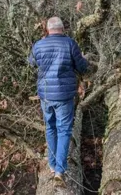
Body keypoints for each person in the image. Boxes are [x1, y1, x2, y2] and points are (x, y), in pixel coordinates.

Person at [28, 16, 89, 185]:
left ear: (48, 30)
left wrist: (40, 46)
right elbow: (82, 67)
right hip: (64, 96)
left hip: (46, 94)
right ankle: (60, 171)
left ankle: (52, 165)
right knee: (64, 130)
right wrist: (84, 59)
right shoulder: (70, 43)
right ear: (62, 29)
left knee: (50, 128)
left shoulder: (39, 44)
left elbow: (32, 62)